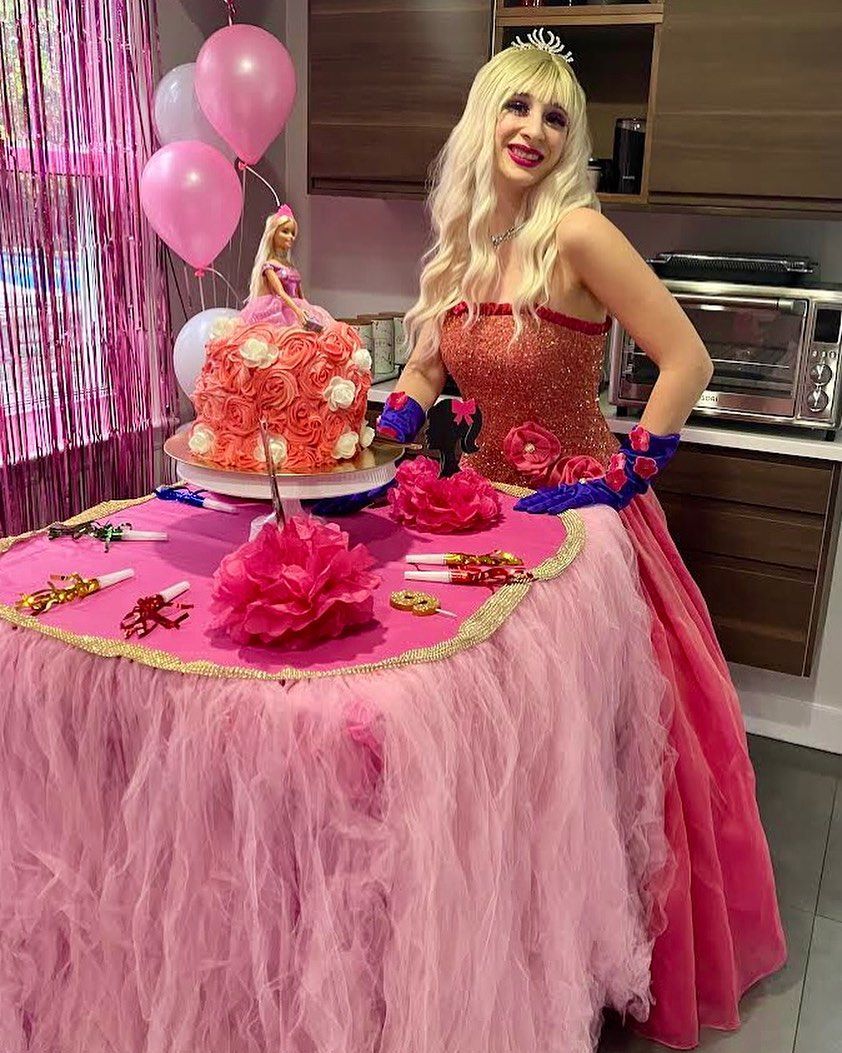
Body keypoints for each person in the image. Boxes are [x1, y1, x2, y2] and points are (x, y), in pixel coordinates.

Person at [376, 42, 786, 1050]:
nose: (533, 131)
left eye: (556, 119)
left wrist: (634, 470)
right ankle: (511, 928)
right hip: (478, 518)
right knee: (499, 744)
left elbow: (683, 354)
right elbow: (425, 374)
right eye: (516, 108)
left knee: (590, 753)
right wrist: (379, 428)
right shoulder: (459, 251)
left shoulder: (580, 234)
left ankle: (591, 946)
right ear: (484, 118)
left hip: (578, 524)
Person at [241, 204, 333, 332]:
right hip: (281, 311)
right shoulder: (269, 266)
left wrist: (308, 310)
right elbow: (280, 292)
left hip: (297, 307)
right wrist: (297, 311)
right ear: (273, 233)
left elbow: (301, 296)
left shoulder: (290, 266)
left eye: (293, 233)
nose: (291, 237)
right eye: (285, 231)